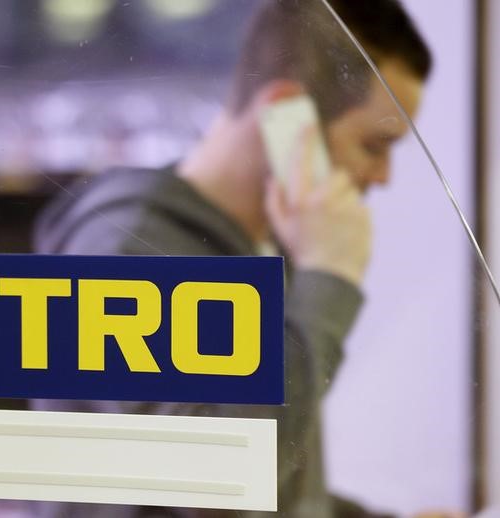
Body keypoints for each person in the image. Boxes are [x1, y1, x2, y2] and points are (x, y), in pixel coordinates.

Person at [30, 1, 451, 517]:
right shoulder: (127, 251)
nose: (383, 176)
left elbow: (276, 483)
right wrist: (329, 278)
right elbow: (221, 483)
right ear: (288, 116)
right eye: (374, 144)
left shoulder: (264, 249)